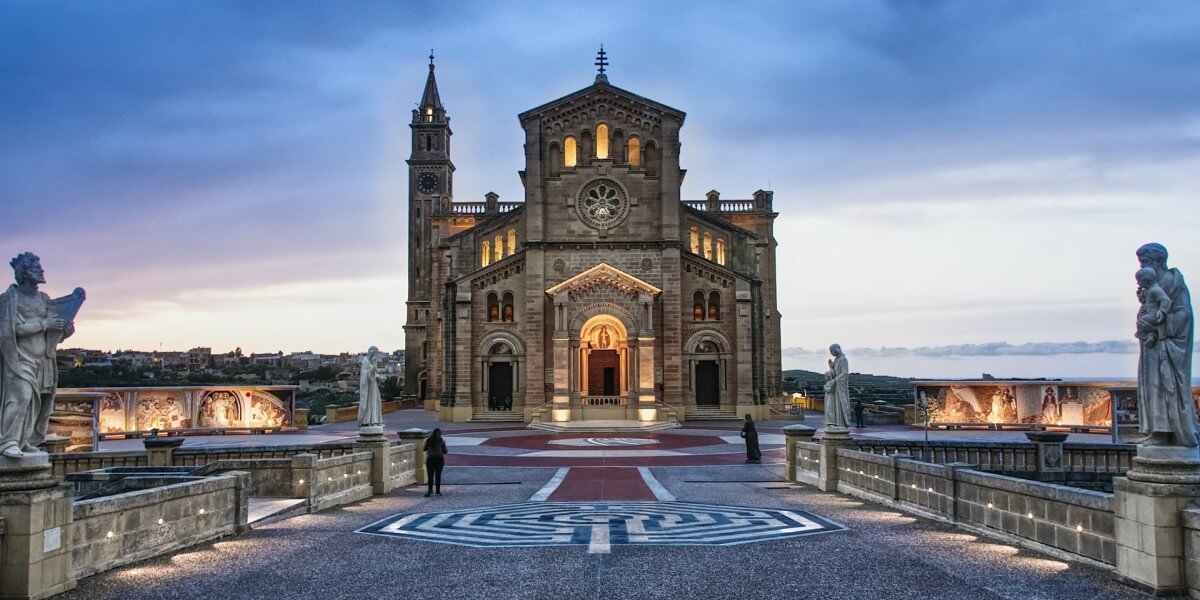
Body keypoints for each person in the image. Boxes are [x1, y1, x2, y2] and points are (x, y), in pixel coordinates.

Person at [424, 427, 449, 497]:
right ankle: (438, 491)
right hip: (439, 459)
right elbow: (445, 451)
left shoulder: (429, 440)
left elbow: (424, 448)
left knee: (430, 476)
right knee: (438, 476)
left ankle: (429, 490)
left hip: (430, 459)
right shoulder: (441, 441)